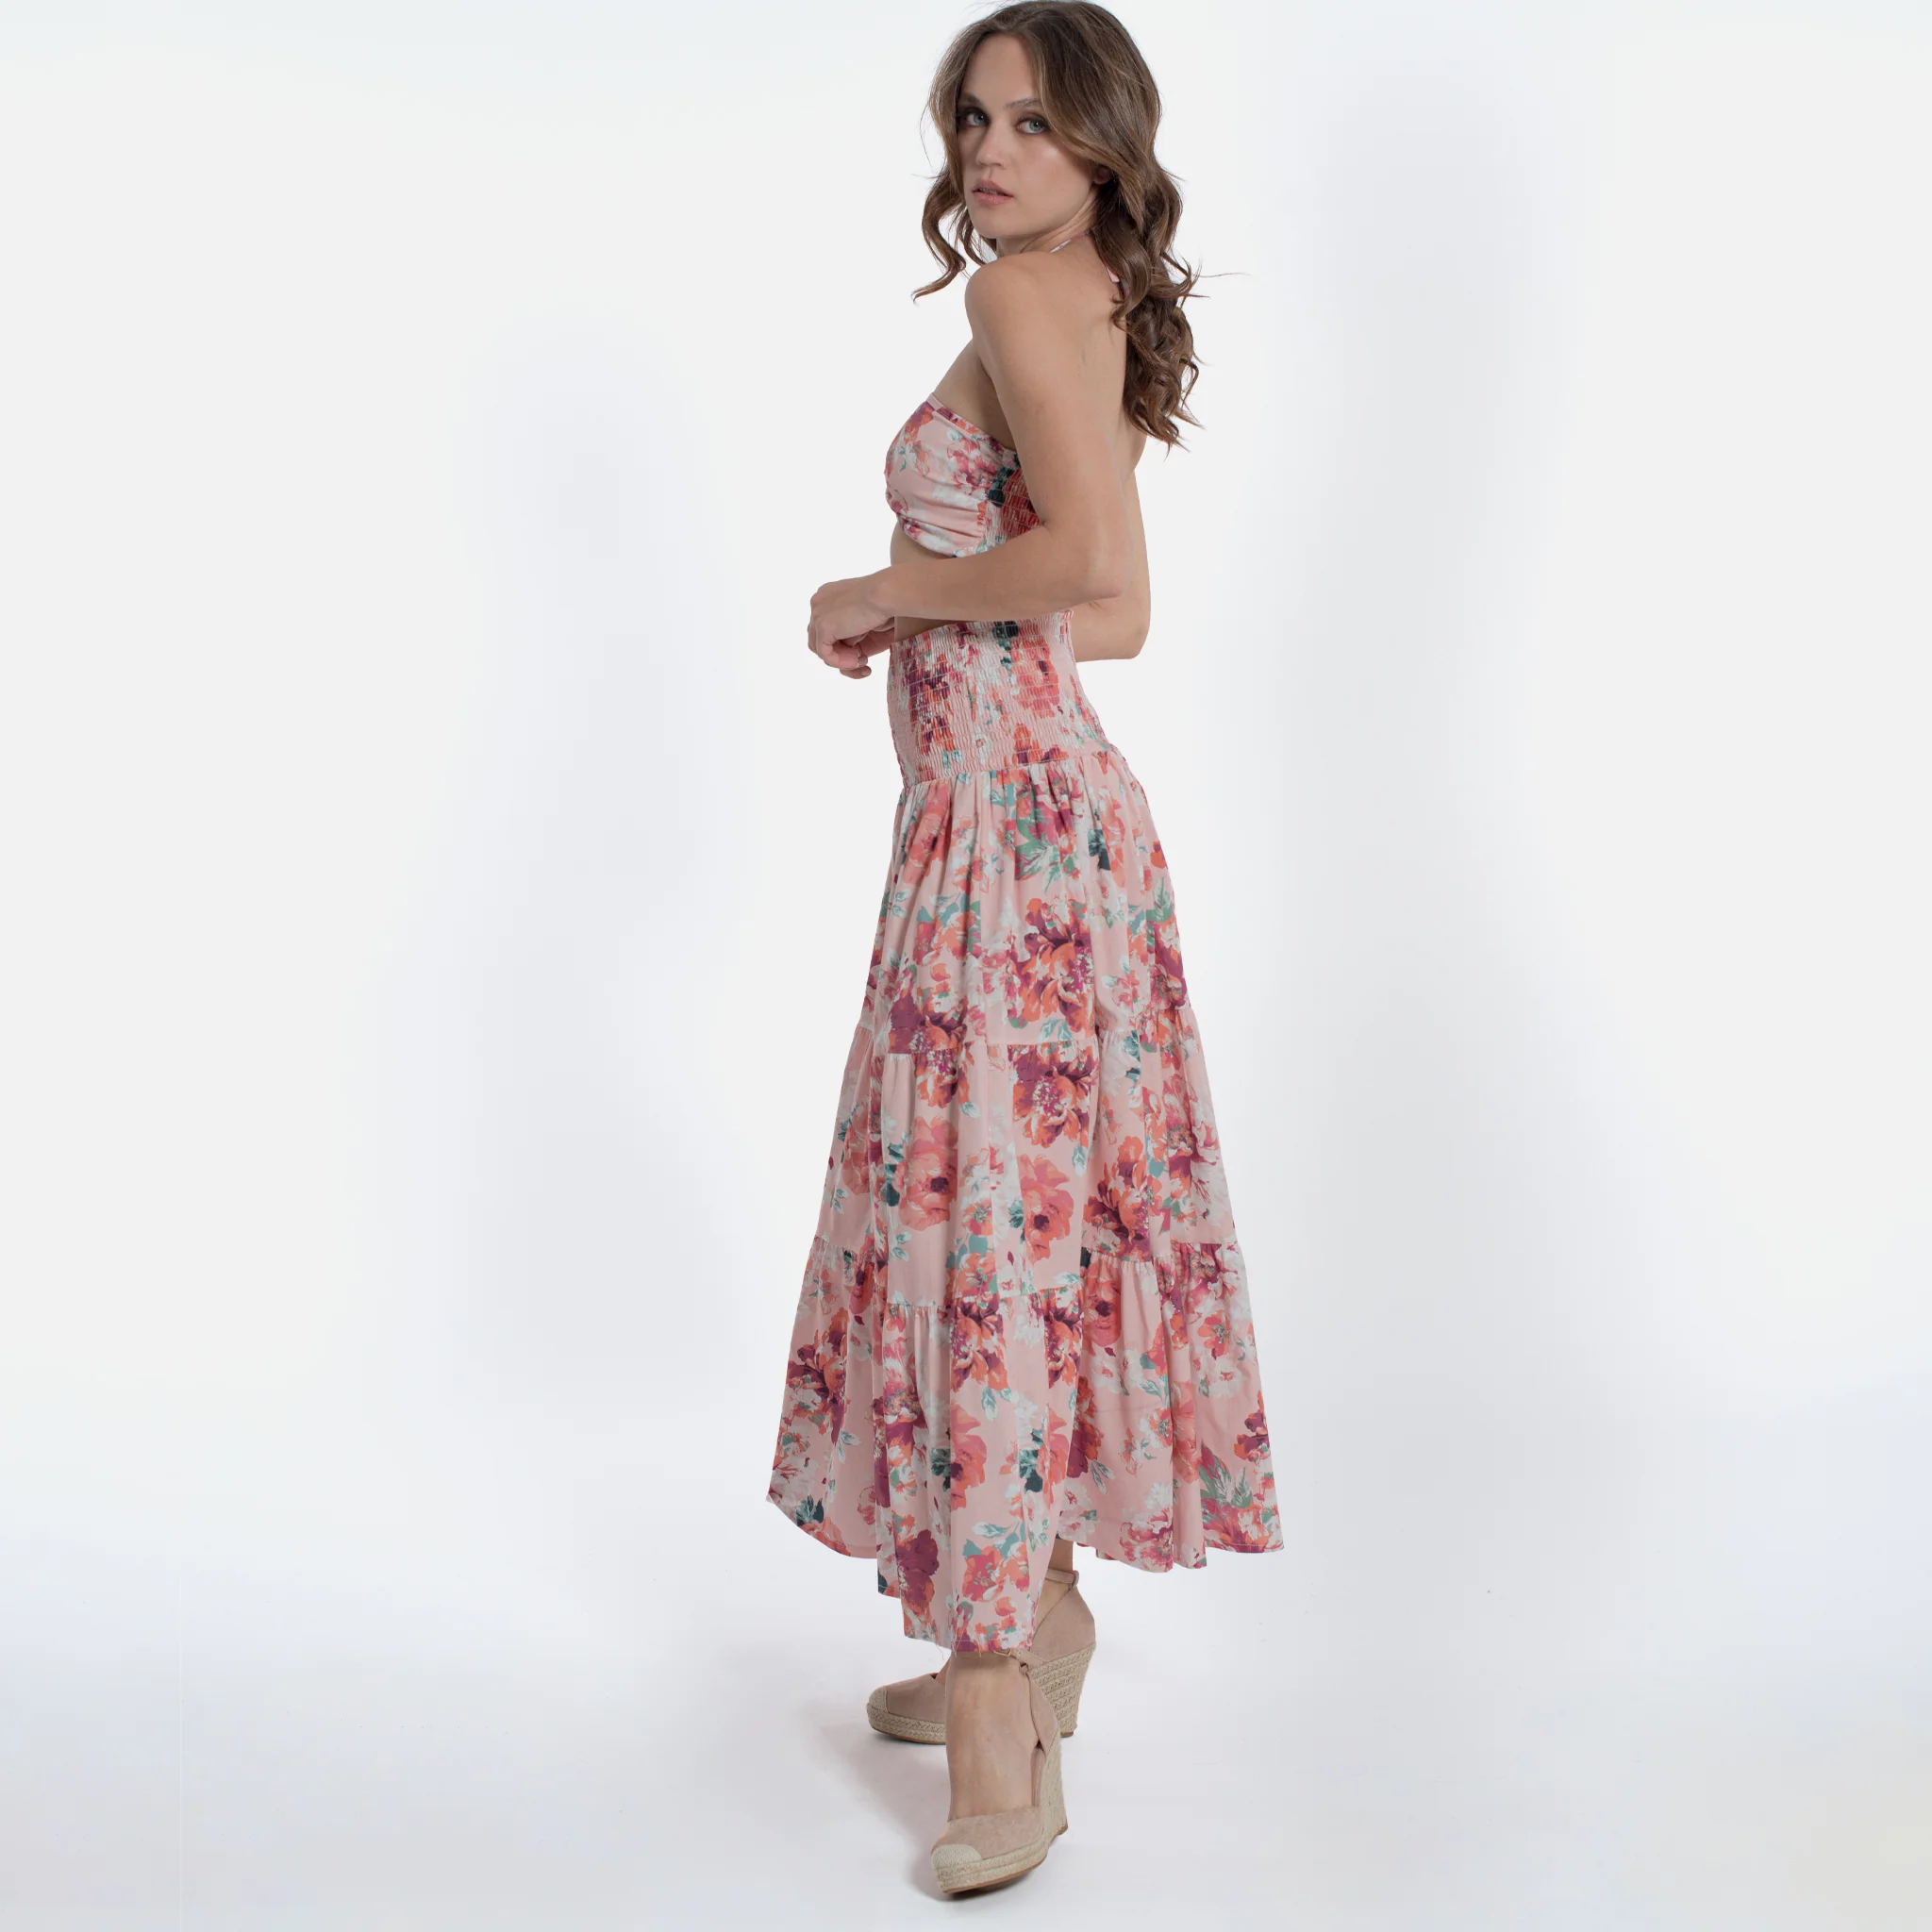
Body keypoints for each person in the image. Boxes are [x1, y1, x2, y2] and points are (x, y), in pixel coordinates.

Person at [768, 1, 1282, 1894]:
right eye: (971, 119)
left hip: (1011, 841)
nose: (988, 153)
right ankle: (1030, 1602)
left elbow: (1078, 577)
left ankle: (1002, 1717)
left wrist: (885, 587)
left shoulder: (1015, 301)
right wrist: (938, 618)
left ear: (1102, 146)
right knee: (1016, 1223)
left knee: (978, 1233)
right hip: (1033, 826)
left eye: (1032, 125)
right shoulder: (1075, 294)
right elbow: (1112, 609)